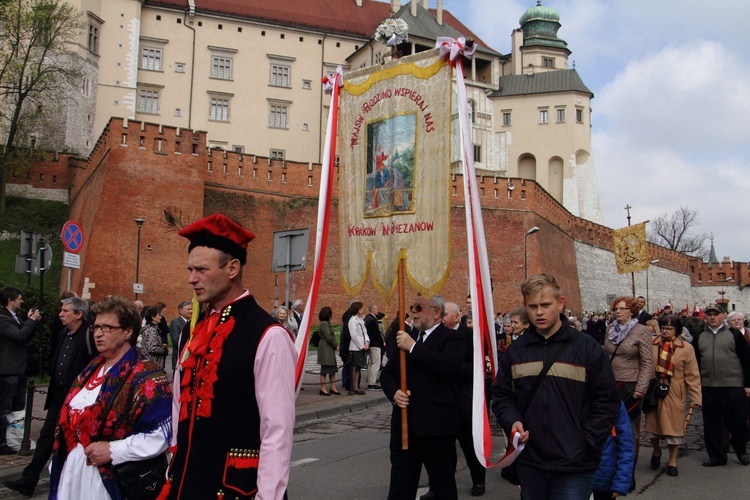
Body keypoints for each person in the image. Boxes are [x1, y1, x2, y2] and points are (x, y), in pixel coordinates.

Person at [163, 213, 297, 499]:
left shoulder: (268, 334)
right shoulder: (191, 330)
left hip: (236, 490)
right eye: (190, 269)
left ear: (232, 268)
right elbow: (179, 405)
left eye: (201, 269)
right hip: (186, 484)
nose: (191, 279)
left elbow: (277, 430)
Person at [491, 274, 620, 499]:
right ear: (525, 307)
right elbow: (502, 396)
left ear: (560, 304)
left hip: (575, 463)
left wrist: (586, 441)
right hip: (531, 460)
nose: (539, 312)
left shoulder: (587, 348)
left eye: (545, 305)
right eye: (533, 306)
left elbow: (606, 401)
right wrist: (513, 422)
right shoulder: (516, 351)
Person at [47, 296, 172, 499]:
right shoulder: (91, 369)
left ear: (128, 331)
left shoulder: (147, 375)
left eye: (107, 328)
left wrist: (113, 450)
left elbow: (160, 435)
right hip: (74, 470)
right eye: (95, 327)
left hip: (111, 478)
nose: (98, 334)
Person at [4, 297, 96, 496]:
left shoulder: (90, 334)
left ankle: (76, 483)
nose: (60, 314)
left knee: (78, 440)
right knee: (47, 436)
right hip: (59, 395)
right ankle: (29, 480)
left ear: (79, 314)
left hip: (80, 398)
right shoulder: (64, 333)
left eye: (65, 311)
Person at [381, 294, 464, 500]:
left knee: (443, 485)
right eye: (412, 307)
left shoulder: (452, 337)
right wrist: (394, 393)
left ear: (437, 312)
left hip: (437, 427)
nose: (414, 312)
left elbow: (447, 366)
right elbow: (387, 373)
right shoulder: (407, 338)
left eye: (419, 307)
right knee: (400, 486)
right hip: (405, 426)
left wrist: (414, 347)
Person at [603, 296, 654, 490]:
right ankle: (611, 470)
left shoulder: (641, 331)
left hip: (631, 386)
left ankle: (628, 475)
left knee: (629, 431)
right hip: (610, 384)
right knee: (609, 427)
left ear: (631, 311)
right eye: (616, 308)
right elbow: (606, 355)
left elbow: (648, 362)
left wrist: (641, 388)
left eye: (622, 308)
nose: (618, 311)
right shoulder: (610, 329)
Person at [692, 303, 750, 467]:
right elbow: (696, 361)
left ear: (724, 316)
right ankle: (717, 455)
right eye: (709, 314)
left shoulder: (734, 335)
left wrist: (747, 384)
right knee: (712, 423)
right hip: (709, 385)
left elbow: (746, 360)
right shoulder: (700, 336)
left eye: (716, 314)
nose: (712, 317)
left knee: (738, 420)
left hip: (732, 384)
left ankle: (740, 450)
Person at [644, 314, 702, 477]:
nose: (665, 331)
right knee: (652, 425)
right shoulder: (652, 344)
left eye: (669, 328)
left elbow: (692, 374)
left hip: (675, 391)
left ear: (677, 329)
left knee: (674, 427)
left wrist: (696, 396)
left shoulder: (686, 348)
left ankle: (672, 460)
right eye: (663, 328)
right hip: (655, 389)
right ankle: (656, 451)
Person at [445, 301, 486, 497]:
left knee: (469, 447)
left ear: (456, 316)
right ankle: (441, 484)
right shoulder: (438, 336)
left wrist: (448, 368)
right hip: (443, 401)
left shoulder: (469, 336)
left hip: (464, 400)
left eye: (444, 314)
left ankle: (478, 480)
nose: (441, 317)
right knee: (444, 450)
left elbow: (475, 367)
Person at [0, 286, 41, 455]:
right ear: (10, 300)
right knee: (4, 407)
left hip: (18, 369)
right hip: (7, 369)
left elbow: (23, 334)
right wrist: (31, 320)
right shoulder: (2, 318)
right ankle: (2, 442)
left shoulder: (13, 318)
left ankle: (13, 437)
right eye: (19, 298)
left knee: (17, 407)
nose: (22, 301)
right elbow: (18, 336)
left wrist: (29, 322)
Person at [591, 402, 634, 500]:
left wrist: (621, 482)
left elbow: (625, 444)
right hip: (574, 479)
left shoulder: (614, 402)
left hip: (603, 482)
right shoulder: (572, 398)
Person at [317, 306, 340, 396]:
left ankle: (332, 387)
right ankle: (323, 388)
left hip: (329, 348)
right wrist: (335, 345)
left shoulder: (327, 323)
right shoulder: (324, 324)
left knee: (332, 368)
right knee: (325, 368)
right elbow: (328, 337)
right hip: (325, 348)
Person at [347, 301, 369, 395]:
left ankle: (356, 386)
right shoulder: (352, 320)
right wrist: (361, 345)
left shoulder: (360, 320)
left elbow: (365, 332)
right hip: (355, 348)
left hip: (362, 347)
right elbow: (354, 335)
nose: (362, 310)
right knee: (354, 368)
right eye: (361, 308)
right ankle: (352, 387)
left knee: (358, 368)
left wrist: (367, 342)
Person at [365, 303, 384, 390]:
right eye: (376, 308)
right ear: (372, 310)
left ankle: (370, 380)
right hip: (375, 344)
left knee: (370, 363)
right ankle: (372, 383)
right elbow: (376, 333)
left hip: (370, 343)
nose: (377, 310)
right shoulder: (372, 320)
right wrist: (381, 341)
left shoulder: (368, 319)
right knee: (375, 364)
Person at [169, 301, 192, 371]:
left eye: (191, 309)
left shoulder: (192, 322)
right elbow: (176, 341)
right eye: (188, 309)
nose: (191, 311)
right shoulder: (175, 323)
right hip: (179, 358)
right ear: (180, 310)